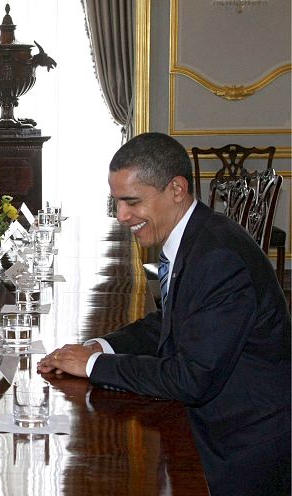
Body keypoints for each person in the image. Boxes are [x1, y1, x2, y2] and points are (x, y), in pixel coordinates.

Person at [38, 133, 290, 495]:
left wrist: (93, 367)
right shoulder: (195, 236)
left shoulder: (219, 258)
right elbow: (170, 321)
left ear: (176, 189)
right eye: (116, 203)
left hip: (240, 444)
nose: (122, 216)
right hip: (224, 420)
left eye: (132, 202)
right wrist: (99, 347)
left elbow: (191, 378)